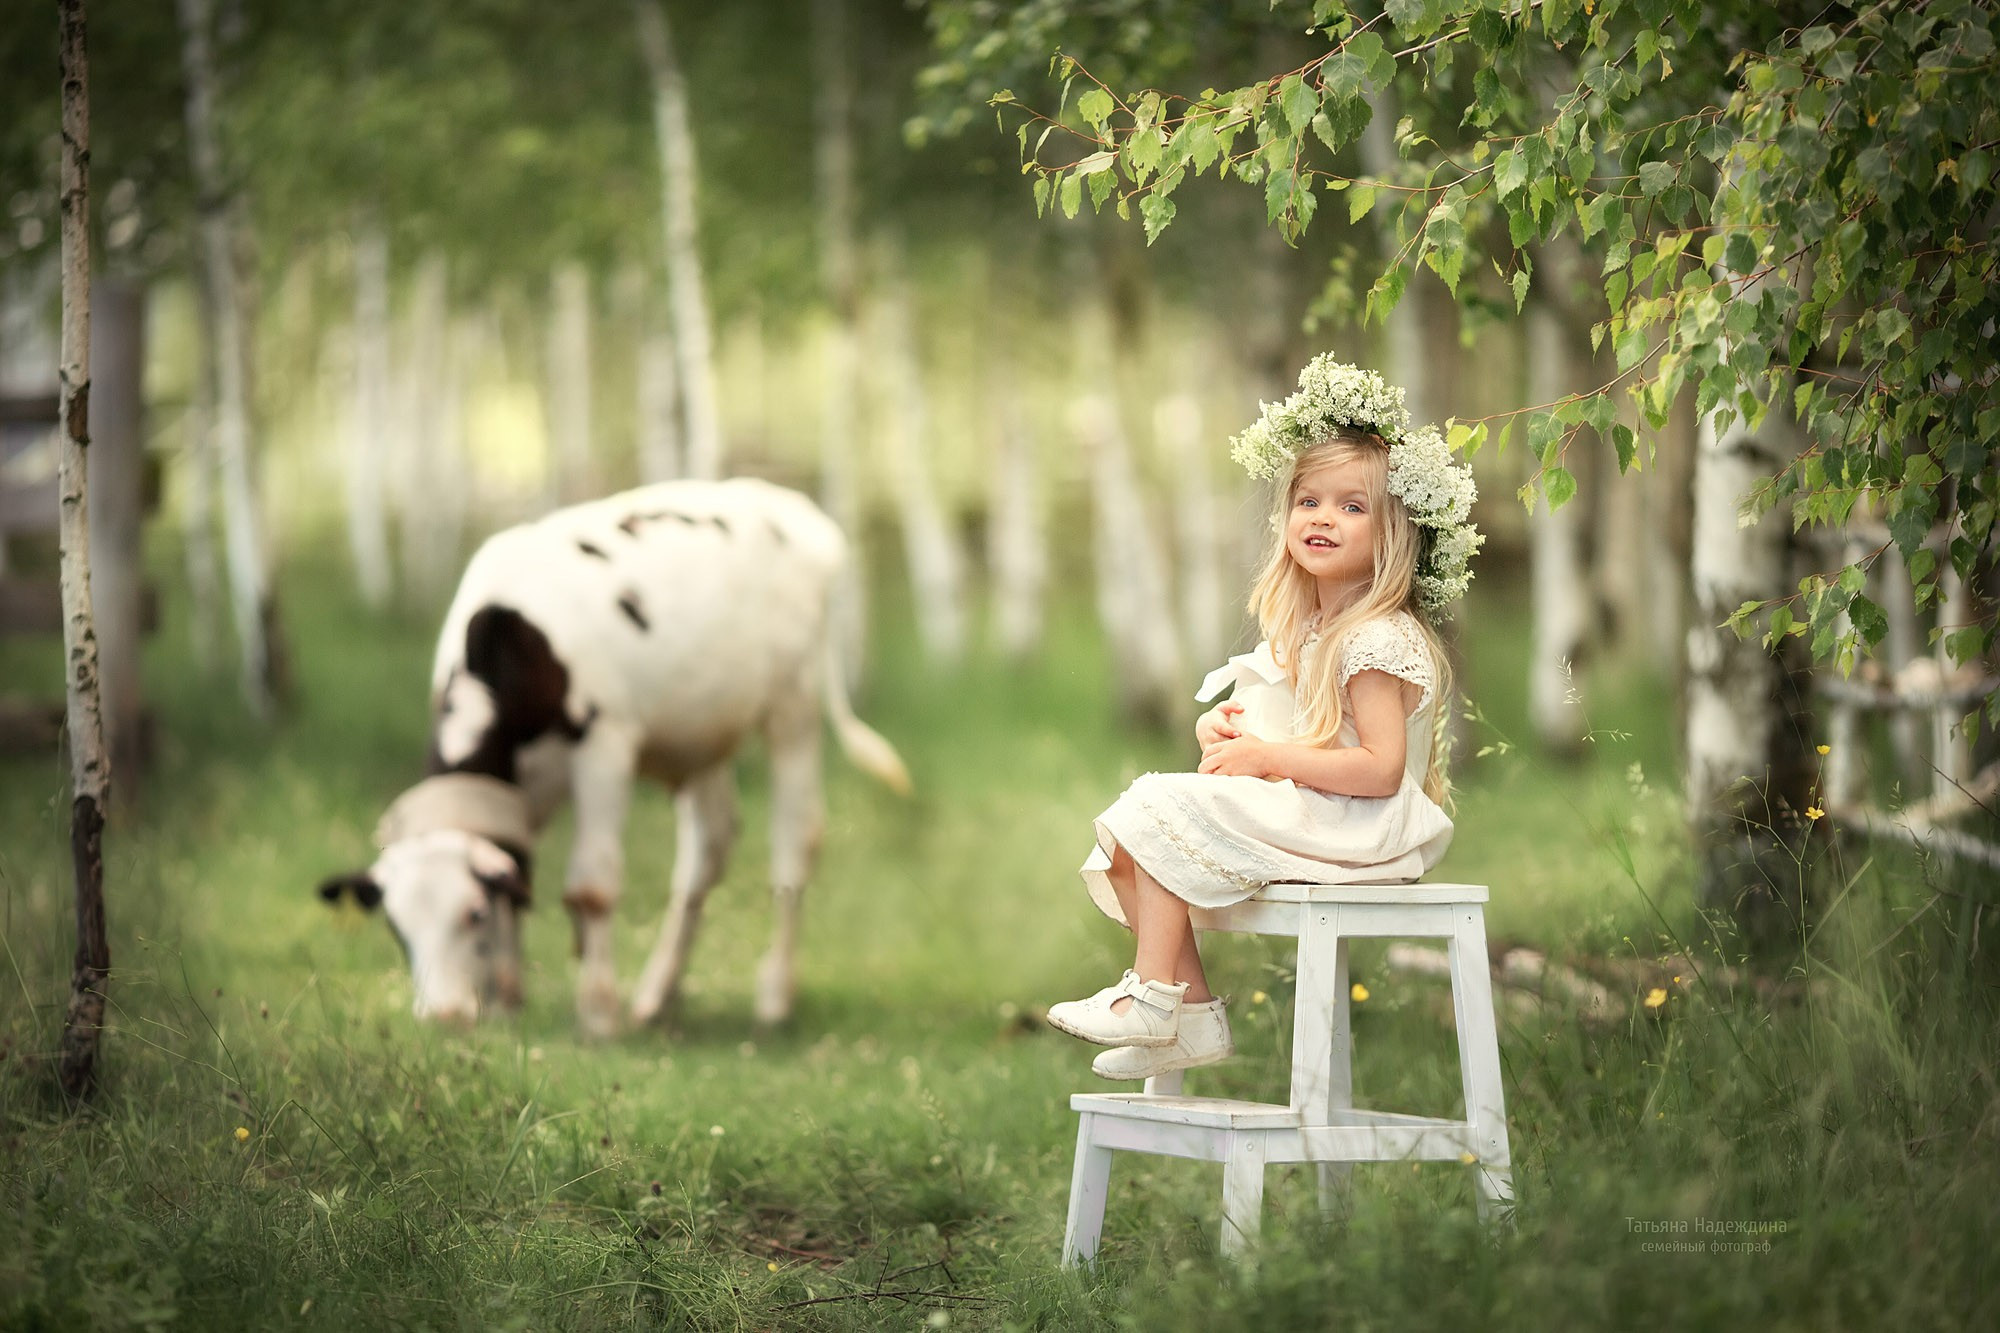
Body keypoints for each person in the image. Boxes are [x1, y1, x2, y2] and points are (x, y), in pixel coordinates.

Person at [1046, 357, 1484, 1082]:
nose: (1322, 518)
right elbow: (1284, 728)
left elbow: (1378, 769)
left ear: (1393, 532)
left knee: (1156, 803)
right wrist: (1225, 735)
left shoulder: (1376, 637)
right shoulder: (1313, 627)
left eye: (1352, 506)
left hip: (1360, 828)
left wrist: (1267, 761)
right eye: (1309, 501)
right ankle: (1188, 1017)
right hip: (1323, 809)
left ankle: (1155, 998)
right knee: (1129, 835)